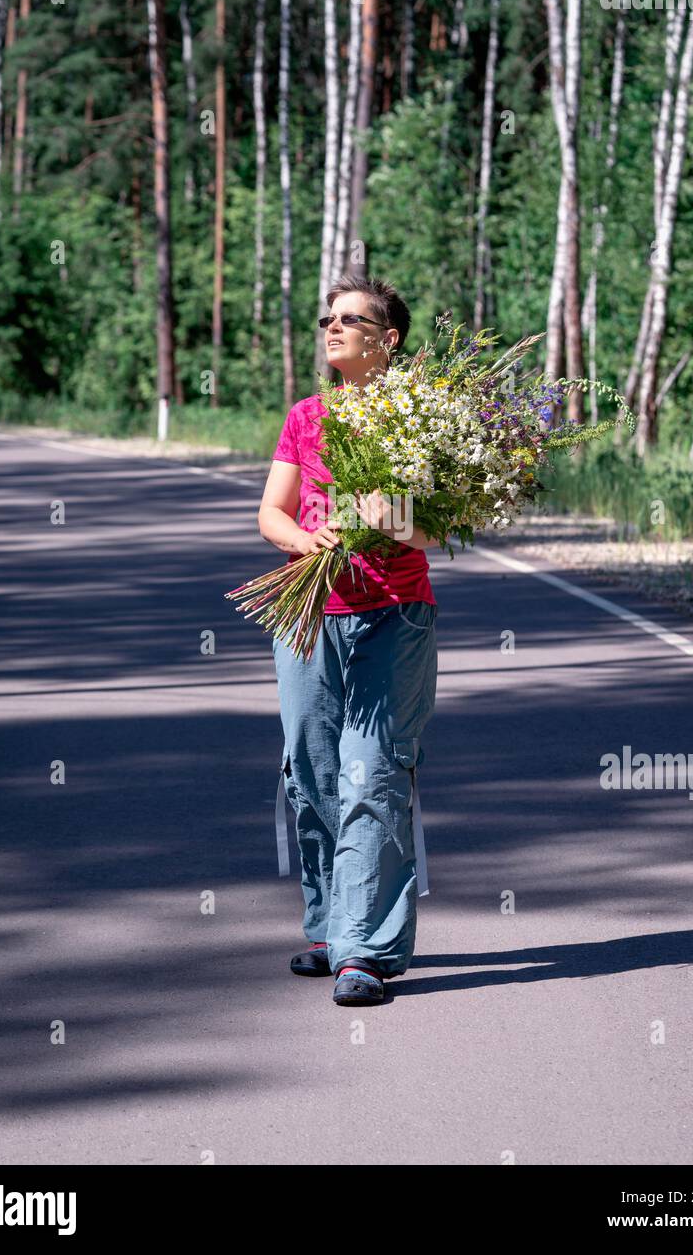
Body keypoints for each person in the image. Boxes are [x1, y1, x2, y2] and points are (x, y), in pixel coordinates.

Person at [257, 274, 440, 1006]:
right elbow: (271, 513)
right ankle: (331, 926)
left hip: (395, 613)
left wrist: (387, 513)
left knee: (374, 773)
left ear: (385, 339)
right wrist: (307, 541)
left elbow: (435, 531)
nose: (331, 327)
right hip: (309, 616)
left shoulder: (420, 422)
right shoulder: (306, 417)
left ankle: (360, 949)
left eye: (349, 319)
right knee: (308, 769)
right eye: (326, 317)